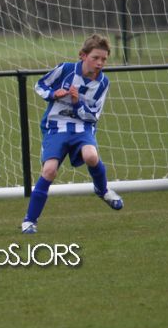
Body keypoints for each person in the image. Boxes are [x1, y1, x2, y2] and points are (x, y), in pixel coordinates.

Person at [21, 34, 123, 234]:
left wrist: (77, 104)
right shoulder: (66, 69)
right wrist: (53, 94)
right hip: (56, 125)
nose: (100, 63)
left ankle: (102, 190)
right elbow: (40, 85)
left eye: (103, 59)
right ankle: (29, 221)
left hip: (82, 126)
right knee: (49, 170)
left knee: (91, 156)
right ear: (83, 55)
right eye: (95, 58)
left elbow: (93, 115)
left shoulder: (103, 82)